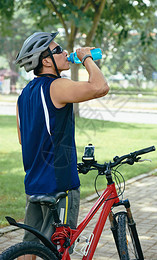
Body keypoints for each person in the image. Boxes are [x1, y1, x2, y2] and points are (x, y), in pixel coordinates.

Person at [15, 31, 109, 257]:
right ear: (46, 60)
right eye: (58, 50)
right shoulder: (57, 86)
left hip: (34, 184)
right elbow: (100, 87)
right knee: (59, 251)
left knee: (30, 247)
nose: (65, 52)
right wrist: (87, 57)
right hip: (60, 186)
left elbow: (23, 139)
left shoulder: (24, 95)